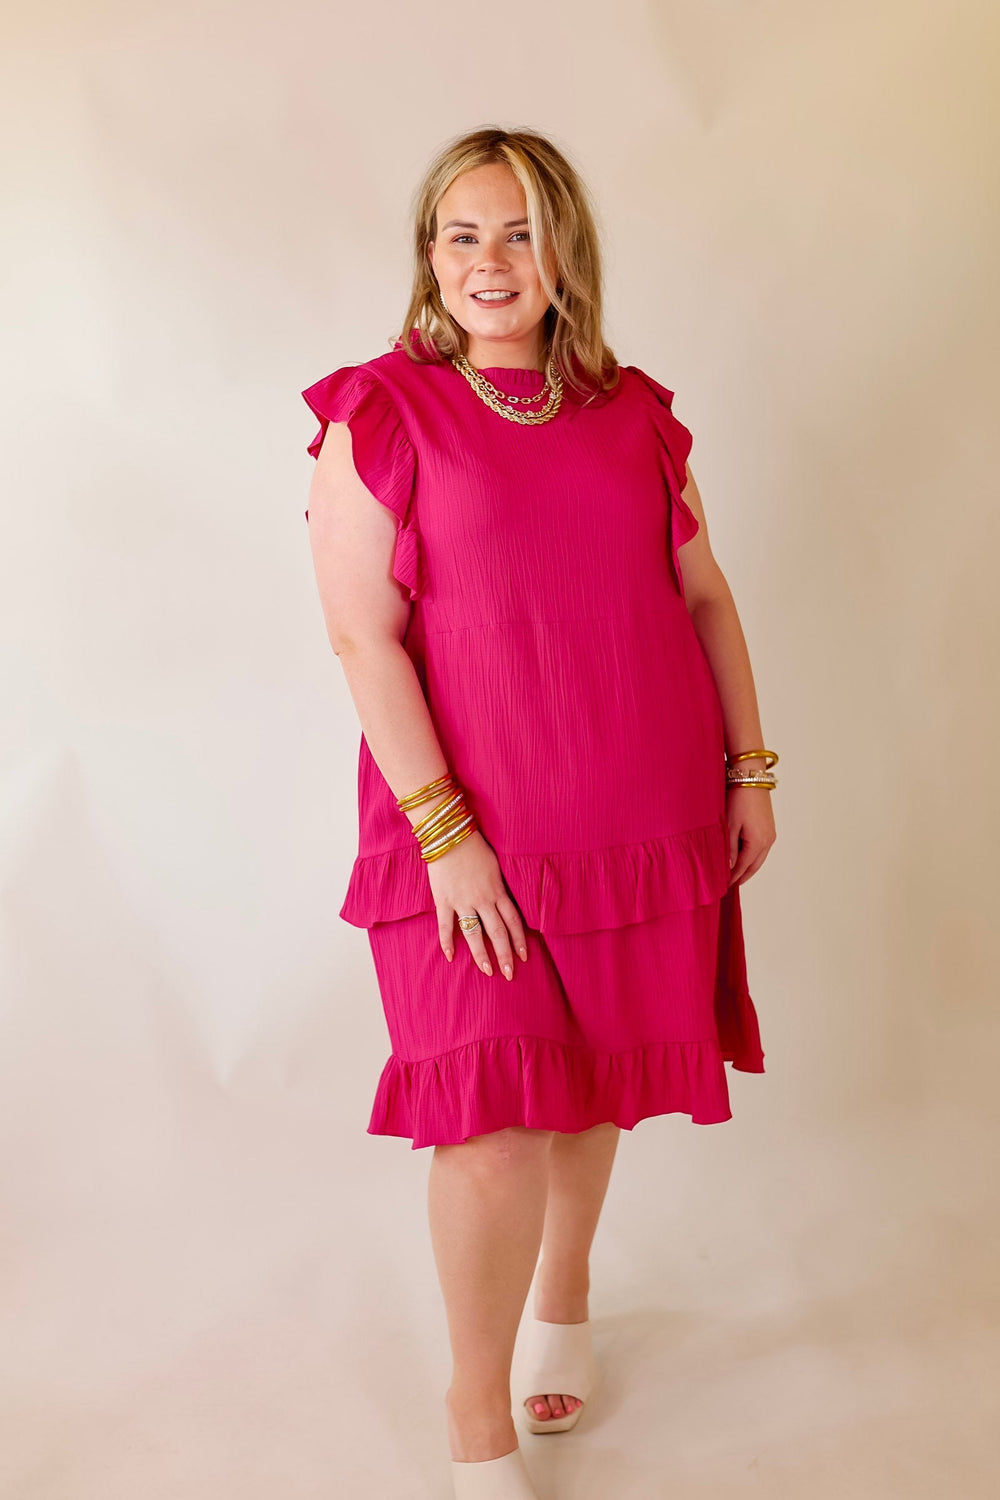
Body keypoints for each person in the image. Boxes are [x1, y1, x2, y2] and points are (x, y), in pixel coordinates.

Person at [300, 125, 777, 1500]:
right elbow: (362, 637)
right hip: (462, 831)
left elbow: (704, 596)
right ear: (428, 255)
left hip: (637, 807)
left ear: (566, 251)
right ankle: (475, 1414)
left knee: (592, 1084)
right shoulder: (382, 412)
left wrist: (749, 771)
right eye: (463, 234)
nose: (491, 261)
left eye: (521, 232)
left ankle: (564, 1294)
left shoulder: (634, 414)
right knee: (494, 1124)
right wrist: (446, 837)